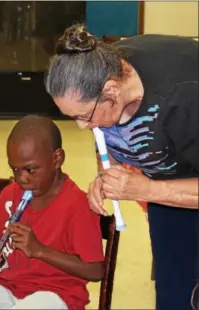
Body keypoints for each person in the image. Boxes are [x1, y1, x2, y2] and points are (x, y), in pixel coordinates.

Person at [45, 24, 199, 310]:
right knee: (174, 290)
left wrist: (150, 188)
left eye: (84, 116)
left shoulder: (184, 96)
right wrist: (107, 172)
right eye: (73, 117)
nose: (82, 126)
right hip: (168, 186)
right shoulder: (101, 71)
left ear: (112, 90)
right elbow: (106, 134)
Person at [0, 115, 105, 310]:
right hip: (8, 287)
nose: (22, 179)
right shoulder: (9, 196)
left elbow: (96, 271)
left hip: (56, 294)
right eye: (15, 169)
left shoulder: (78, 205)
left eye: (30, 169)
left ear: (57, 159)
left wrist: (39, 250)